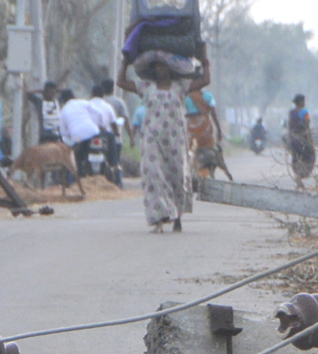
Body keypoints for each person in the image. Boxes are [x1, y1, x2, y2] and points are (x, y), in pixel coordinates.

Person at [118, 45, 211, 232]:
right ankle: (158, 220)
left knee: (177, 177)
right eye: (158, 67)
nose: (161, 70)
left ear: (171, 68)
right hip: (152, 138)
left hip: (176, 140)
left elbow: (205, 80)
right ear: (153, 70)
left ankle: (177, 218)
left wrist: (204, 59)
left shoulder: (181, 86)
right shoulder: (147, 87)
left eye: (165, 66)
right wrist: (125, 62)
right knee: (153, 175)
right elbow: (121, 82)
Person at [58, 88, 100, 178]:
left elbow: (63, 132)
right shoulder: (83, 102)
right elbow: (99, 113)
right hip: (94, 132)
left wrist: (69, 139)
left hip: (78, 137)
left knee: (77, 159)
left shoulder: (63, 112)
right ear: (74, 96)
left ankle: (75, 180)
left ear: (62, 100)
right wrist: (99, 125)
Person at [184, 86, 224, 179]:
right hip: (205, 126)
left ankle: (192, 173)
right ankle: (206, 174)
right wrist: (218, 129)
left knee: (190, 151)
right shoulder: (208, 96)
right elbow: (213, 113)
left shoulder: (186, 97)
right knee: (208, 150)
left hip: (191, 126)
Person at [89, 83, 122, 187]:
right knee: (114, 159)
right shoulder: (108, 106)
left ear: (92, 94)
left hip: (89, 135)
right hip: (105, 136)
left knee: (78, 157)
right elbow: (113, 124)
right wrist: (117, 133)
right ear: (103, 95)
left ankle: (73, 181)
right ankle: (118, 183)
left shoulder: (87, 105)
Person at [285, 93, 315, 190]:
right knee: (309, 156)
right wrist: (310, 139)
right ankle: (301, 176)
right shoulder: (305, 113)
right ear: (302, 102)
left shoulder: (291, 113)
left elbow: (289, 127)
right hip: (303, 139)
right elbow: (307, 126)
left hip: (294, 139)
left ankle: (298, 177)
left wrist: (289, 139)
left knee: (297, 158)